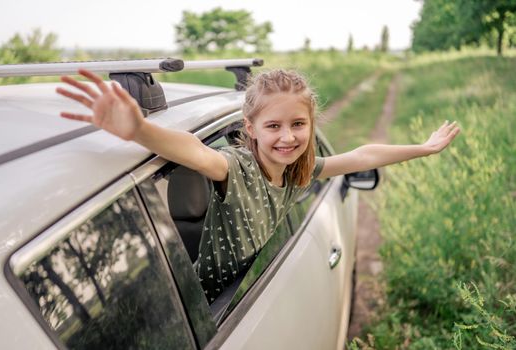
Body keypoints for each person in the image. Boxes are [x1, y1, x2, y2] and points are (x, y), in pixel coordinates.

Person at [56, 69, 460, 302]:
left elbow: (361, 156)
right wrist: (140, 129)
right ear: (249, 128)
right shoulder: (239, 169)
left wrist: (423, 149)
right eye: (274, 126)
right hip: (206, 303)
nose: (288, 137)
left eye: (298, 124)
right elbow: (198, 154)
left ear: (311, 125)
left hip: (239, 288)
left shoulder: (298, 173)